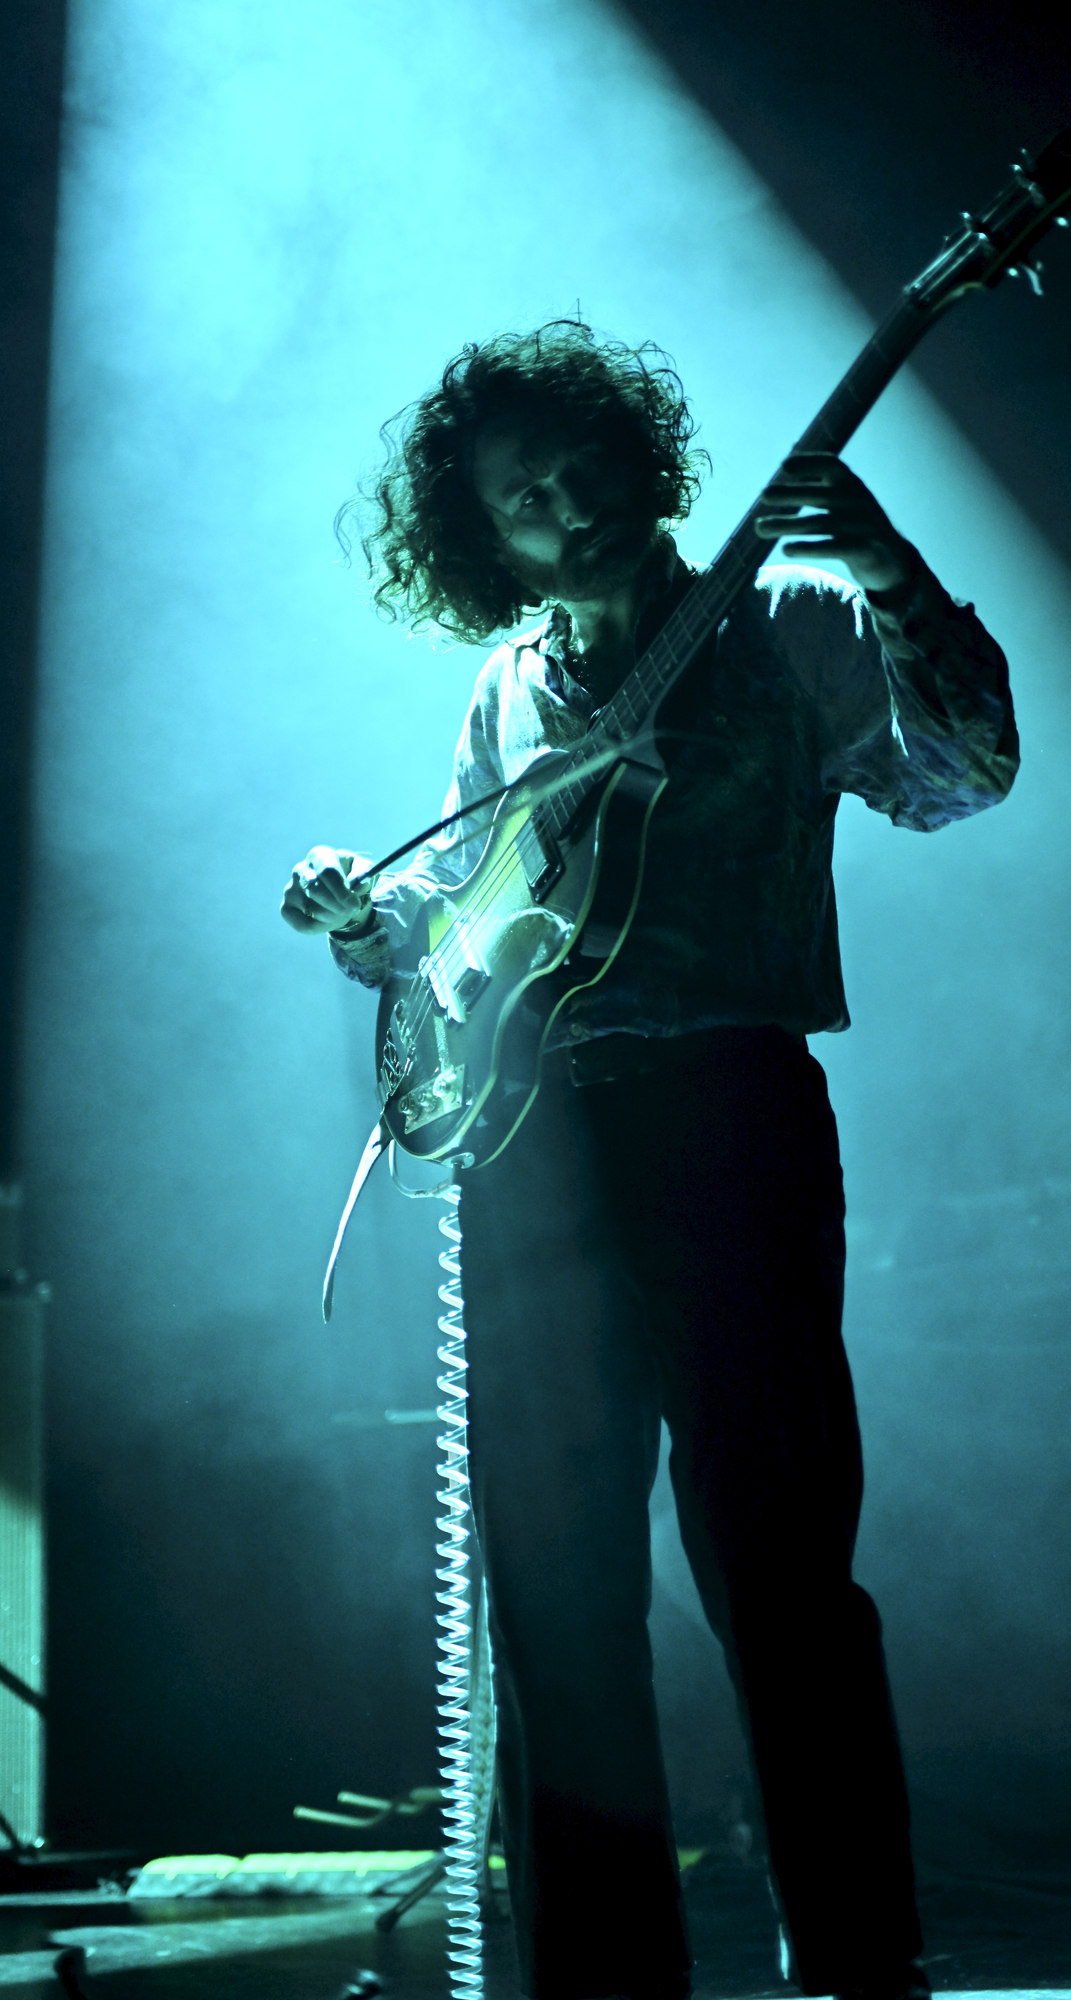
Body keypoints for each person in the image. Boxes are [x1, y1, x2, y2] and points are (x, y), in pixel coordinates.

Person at [281, 323, 1018, 2000]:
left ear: (639, 458)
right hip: (529, 1153)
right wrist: (364, 913)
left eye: (581, 465)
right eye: (521, 496)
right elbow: (467, 919)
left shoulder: (790, 621)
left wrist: (889, 568)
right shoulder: (506, 682)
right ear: (486, 537)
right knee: (554, 1587)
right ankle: (603, 1980)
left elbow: (966, 775)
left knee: (778, 1568)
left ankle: (859, 1960)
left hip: (728, 1121)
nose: (565, 504)